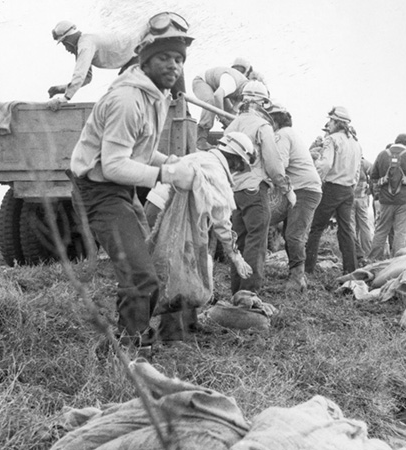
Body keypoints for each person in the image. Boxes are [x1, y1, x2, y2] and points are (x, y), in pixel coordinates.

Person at [68, 15, 199, 352]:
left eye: (179, 58)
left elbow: (138, 147)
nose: (174, 65)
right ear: (145, 60)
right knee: (140, 275)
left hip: (119, 190)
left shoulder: (153, 95)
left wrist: (166, 160)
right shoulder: (129, 99)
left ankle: (134, 335)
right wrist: (167, 175)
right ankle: (128, 348)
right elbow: (113, 165)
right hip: (100, 191)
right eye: (164, 57)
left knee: (147, 269)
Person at [142, 133, 253, 343]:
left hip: (158, 207)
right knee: (174, 271)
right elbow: (221, 221)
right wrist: (234, 254)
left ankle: (189, 324)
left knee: (189, 266)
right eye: (240, 166)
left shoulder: (201, 157)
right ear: (235, 159)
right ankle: (171, 333)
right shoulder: (217, 173)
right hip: (167, 213)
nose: (238, 171)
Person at [224, 80, 294, 294]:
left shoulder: (232, 125)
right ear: (264, 102)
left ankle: (236, 291)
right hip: (255, 190)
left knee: (239, 241)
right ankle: (249, 293)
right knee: (257, 241)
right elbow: (273, 164)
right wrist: (287, 190)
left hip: (234, 191)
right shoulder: (262, 126)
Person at [269, 103, 323, 291]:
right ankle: (296, 274)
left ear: (274, 121)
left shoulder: (282, 135)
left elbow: (280, 165)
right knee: (290, 233)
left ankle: (297, 278)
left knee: (294, 234)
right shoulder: (291, 134)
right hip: (305, 188)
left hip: (305, 189)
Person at [304, 106, 362, 275]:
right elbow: (357, 170)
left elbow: (326, 164)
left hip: (332, 188)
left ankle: (307, 269)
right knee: (346, 230)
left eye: (330, 121)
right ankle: (351, 269)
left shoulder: (331, 140)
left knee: (316, 228)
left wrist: (316, 179)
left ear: (337, 122)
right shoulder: (355, 142)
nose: (328, 124)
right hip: (348, 190)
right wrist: (351, 185)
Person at [368, 133, 406, 259]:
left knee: (381, 230)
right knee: (401, 232)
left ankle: (372, 260)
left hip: (385, 200)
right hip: (405, 200)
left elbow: (373, 175)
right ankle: (397, 261)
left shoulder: (382, 154)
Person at [192, 65, 251, 149]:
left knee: (228, 116)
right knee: (211, 101)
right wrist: (222, 119)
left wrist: (231, 125)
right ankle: (201, 140)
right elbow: (217, 96)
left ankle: (228, 140)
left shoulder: (243, 94)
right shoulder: (231, 84)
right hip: (201, 82)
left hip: (218, 89)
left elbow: (232, 113)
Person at [353, 156, 374, 266]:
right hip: (362, 198)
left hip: (349, 198)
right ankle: (367, 252)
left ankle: (354, 252)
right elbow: (375, 174)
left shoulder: (349, 160)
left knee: (351, 226)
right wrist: (370, 189)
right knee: (364, 225)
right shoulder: (366, 163)